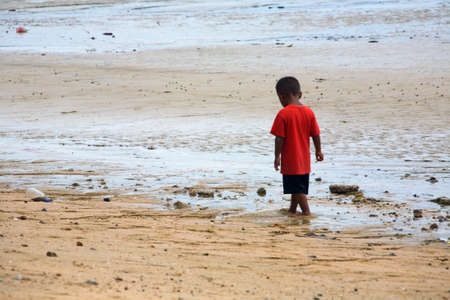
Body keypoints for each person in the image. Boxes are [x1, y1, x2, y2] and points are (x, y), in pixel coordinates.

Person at [270, 76, 323, 216]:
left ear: (281, 97)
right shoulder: (309, 112)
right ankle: (292, 210)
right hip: (304, 160)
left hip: (291, 161)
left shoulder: (283, 114)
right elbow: (316, 134)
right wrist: (318, 150)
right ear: (299, 94)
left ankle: (306, 212)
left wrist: (277, 156)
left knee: (297, 189)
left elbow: (279, 139)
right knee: (297, 186)